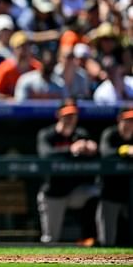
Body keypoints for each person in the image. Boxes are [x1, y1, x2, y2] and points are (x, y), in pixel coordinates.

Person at [36, 100, 100, 245]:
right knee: (51, 240)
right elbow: (46, 155)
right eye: (67, 115)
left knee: (95, 193)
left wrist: (92, 149)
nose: (70, 119)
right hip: (53, 193)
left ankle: (88, 237)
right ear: (58, 115)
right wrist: (70, 149)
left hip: (76, 192)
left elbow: (98, 154)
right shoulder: (47, 134)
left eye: (73, 115)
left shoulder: (81, 134)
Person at [96, 107, 133, 246]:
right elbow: (105, 152)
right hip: (110, 192)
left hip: (130, 193)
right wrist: (125, 150)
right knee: (107, 241)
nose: (130, 124)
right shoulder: (110, 134)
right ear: (120, 120)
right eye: (127, 120)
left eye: (132, 121)